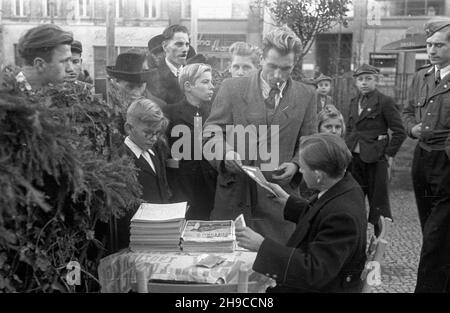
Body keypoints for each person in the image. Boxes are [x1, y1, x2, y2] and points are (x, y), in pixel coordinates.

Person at [203, 26, 317, 244]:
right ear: (262, 59)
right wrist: (225, 154)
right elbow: (210, 133)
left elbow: (309, 142)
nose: (277, 75)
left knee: (275, 272)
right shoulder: (231, 88)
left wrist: (295, 165)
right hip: (234, 200)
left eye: (286, 69)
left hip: (278, 206)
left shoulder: (307, 95)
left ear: (295, 64)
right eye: (272, 66)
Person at [236, 133, 367, 293]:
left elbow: (314, 271)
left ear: (318, 175)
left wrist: (261, 245)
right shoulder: (346, 186)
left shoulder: (342, 216)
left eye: (303, 168)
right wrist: (289, 202)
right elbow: (322, 215)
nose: (302, 171)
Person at [402, 17, 450, 293]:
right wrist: (412, 128)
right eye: (429, 45)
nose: (431, 51)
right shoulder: (421, 76)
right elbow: (407, 111)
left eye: (439, 45)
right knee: (433, 233)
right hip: (422, 161)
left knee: (435, 239)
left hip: (446, 164)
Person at [346, 63, 406, 236]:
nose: (364, 83)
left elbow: (399, 132)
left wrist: (387, 154)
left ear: (376, 80)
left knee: (379, 206)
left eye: (368, 79)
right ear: (356, 82)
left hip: (375, 160)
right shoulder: (353, 102)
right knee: (352, 203)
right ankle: (355, 243)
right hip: (353, 160)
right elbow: (350, 129)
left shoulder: (384, 102)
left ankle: (379, 247)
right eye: (360, 79)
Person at [163, 63, 217, 220]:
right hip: (181, 188)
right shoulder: (170, 112)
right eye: (205, 82)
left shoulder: (216, 113)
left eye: (211, 82)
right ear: (188, 86)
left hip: (210, 189)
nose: (212, 87)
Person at [115, 98, 171, 250]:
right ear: (128, 128)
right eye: (147, 133)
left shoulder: (155, 151)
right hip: (136, 241)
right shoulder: (121, 159)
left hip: (161, 235)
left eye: (157, 133)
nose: (153, 138)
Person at [16, 24, 73, 94]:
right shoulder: (6, 98)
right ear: (40, 65)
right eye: (64, 61)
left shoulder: (39, 92)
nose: (70, 69)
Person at [146, 25, 191, 104]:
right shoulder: (154, 77)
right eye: (179, 44)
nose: (185, 49)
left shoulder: (193, 74)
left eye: (187, 44)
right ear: (165, 46)